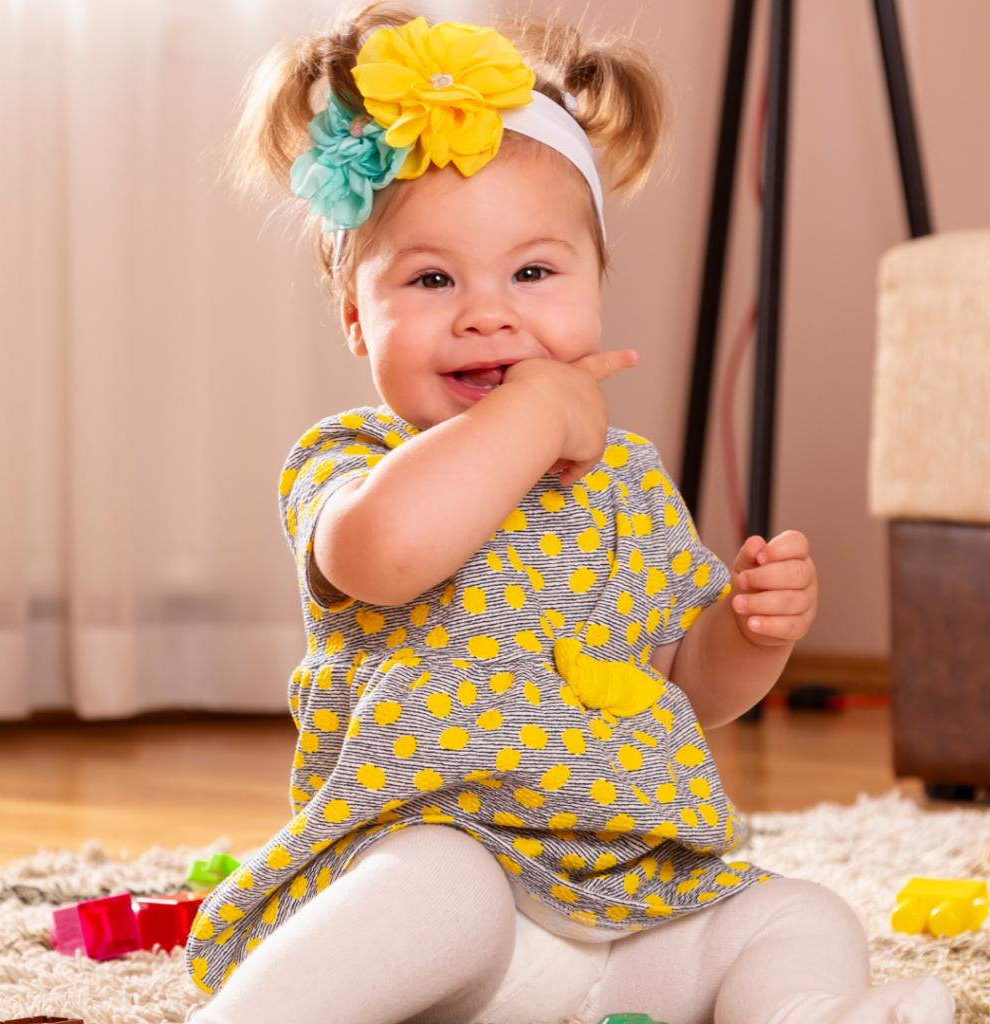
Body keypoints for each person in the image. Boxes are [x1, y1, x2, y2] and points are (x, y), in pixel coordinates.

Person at [187, 5, 955, 1022]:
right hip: (448, 909)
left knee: (796, 913)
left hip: (630, 906)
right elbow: (383, 555)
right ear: (353, 314)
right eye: (429, 279)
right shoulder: (357, 462)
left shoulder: (625, 483)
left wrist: (749, 630)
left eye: (534, 272)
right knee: (441, 882)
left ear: (597, 286)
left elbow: (687, 680)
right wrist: (535, 408)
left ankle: (802, 1013)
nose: (486, 311)